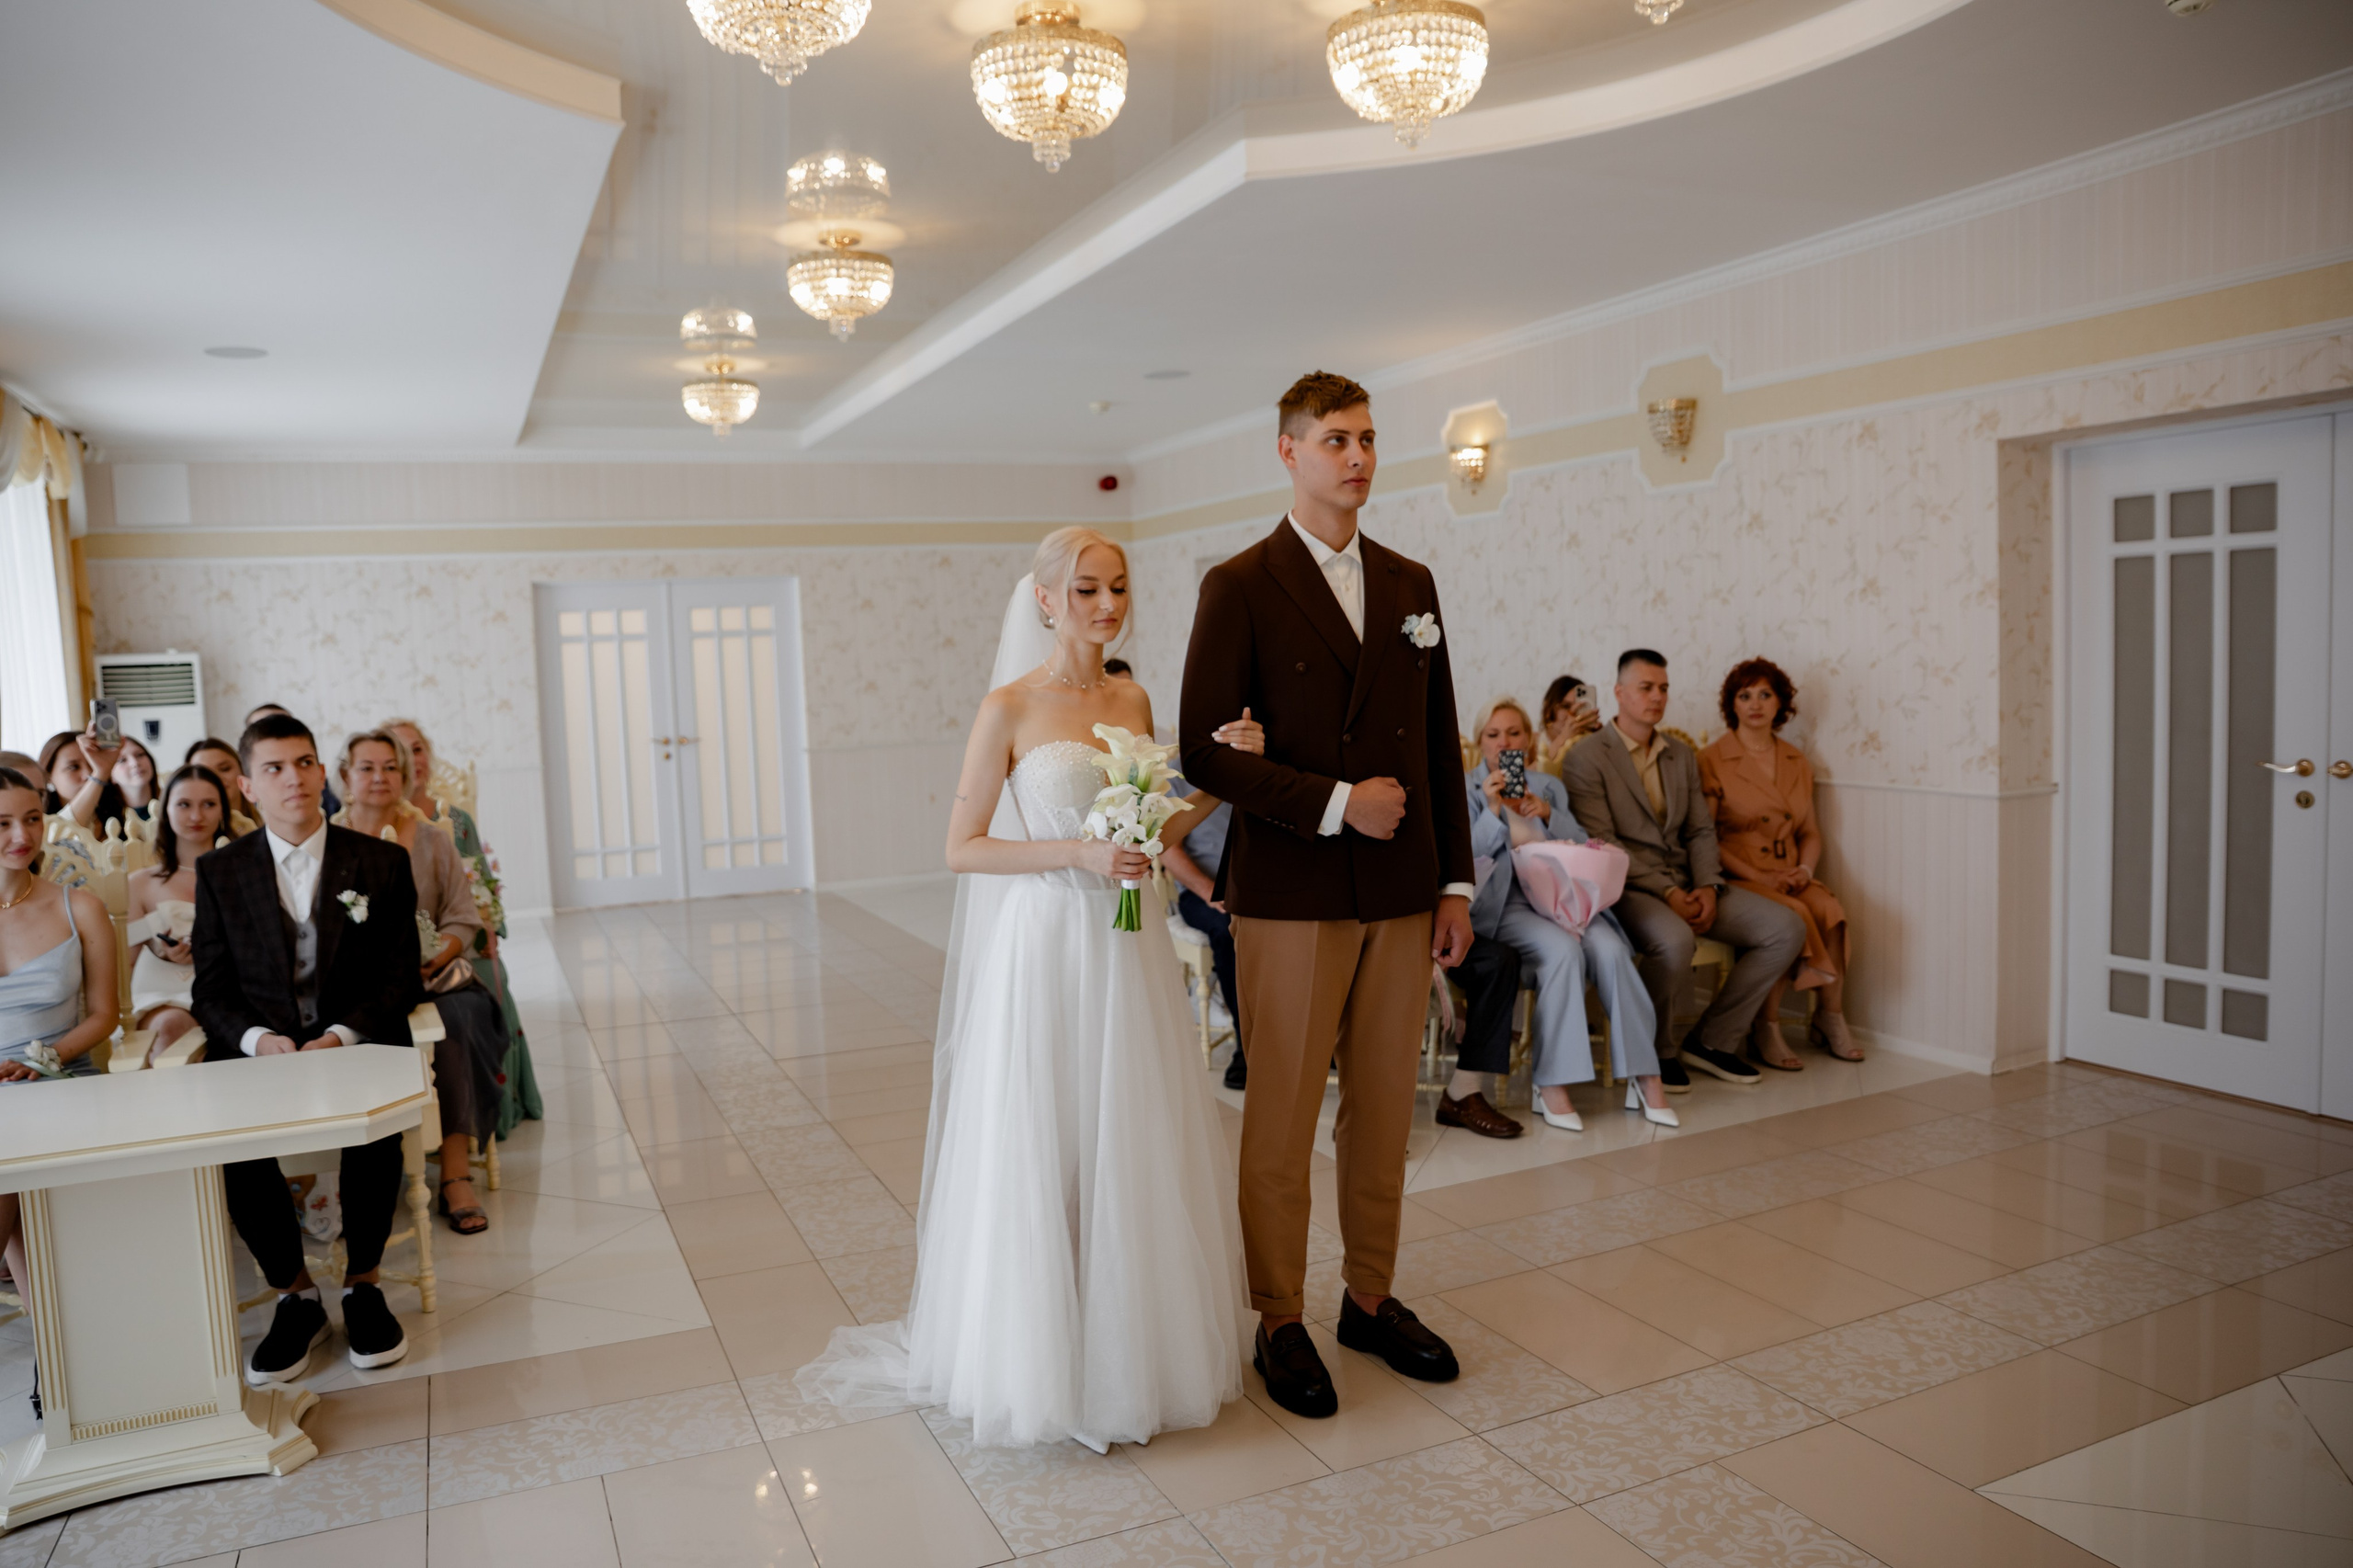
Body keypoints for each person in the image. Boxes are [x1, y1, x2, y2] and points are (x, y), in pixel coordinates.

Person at [797, 528, 1267, 1450]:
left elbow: (1150, 817)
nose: (1106, 603)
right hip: (1046, 938)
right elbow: (962, 846)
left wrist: (1220, 777)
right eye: (1086, 588)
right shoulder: (1007, 706)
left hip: (1122, 942)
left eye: (1118, 587)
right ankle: (1038, 1352)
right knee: (1046, 1129)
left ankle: (1127, 1341)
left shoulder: (1129, 692)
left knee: (1123, 1130)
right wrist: (1078, 852)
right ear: (1046, 599)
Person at [1179, 370, 1475, 1420]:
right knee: (1284, 1112)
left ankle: (1368, 1295)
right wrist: (1338, 801)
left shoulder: (1411, 582)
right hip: (1293, 888)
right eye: (1334, 440)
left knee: (1386, 1107)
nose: (1356, 458)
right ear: (1288, 452)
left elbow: (1437, 743)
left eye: (1366, 440)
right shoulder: (1241, 583)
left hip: (1400, 888)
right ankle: (1277, 1315)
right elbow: (1202, 754)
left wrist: (1452, 881)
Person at [191, 713, 422, 1383]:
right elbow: (211, 991)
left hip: (356, 1039)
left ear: (323, 774)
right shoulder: (220, 872)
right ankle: (296, 1295)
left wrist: (340, 1035)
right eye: (274, 767)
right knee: (232, 1142)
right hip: (263, 1051)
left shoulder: (379, 861)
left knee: (376, 1124)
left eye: (304, 763)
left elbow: (399, 974)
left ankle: (364, 1284)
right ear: (246, 786)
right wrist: (261, 1041)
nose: (293, 778)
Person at [1563, 651, 1804, 1093]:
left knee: (1785, 927)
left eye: (1663, 688)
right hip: (1628, 885)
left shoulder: (1681, 754)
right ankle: (1656, 1050)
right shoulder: (1587, 757)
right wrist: (1669, 894)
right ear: (1619, 693)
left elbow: (1700, 831)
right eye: (1646, 688)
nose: (1657, 697)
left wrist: (1709, 887)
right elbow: (1603, 845)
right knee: (1674, 940)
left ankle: (1712, 1041)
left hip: (1692, 881)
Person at [1463, 698, 1676, 1132]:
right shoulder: (1466, 790)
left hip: (1564, 900)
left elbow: (1583, 845)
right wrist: (1493, 811)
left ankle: (1645, 1074)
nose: (1506, 742)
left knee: (1613, 949)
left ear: (1530, 740)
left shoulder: (1548, 785)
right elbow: (1465, 860)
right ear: (1480, 744)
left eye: (1515, 733)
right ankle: (1552, 1081)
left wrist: (1548, 813)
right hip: (1510, 908)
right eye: (1494, 735)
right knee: (1562, 952)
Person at [335, 731, 506, 1234]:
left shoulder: (433, 838)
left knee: (456, 1024)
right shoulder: (327, 842)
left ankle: (454, 1173)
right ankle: (360, 1179)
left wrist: (437, 954)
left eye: (390, 767)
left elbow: (461, 916)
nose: (379, 777)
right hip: (360, 989)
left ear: (405, 776)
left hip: (436, 981)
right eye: (367, 768)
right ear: (346, 777)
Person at [2, 764, 120, 1410]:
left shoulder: (80, 906)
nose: (20, 835)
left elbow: (104, 1015)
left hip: (59, 1078)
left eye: (29, 818)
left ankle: (57, 1352)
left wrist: (39, 1059)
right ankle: (57, 1353)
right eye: (0, 823)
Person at [381, 717, 541, 1133]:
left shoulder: (457, 821)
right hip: (397, 953)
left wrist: (488, 935)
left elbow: (481, 889)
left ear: (427, 757)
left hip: (457, 938)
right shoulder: (364, 823)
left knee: (488, 972)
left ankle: (493, 1110)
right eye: (398, 751)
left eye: (417, 749)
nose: (410, 759)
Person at [1699, 658, 1861, 1065]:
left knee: (1830, 910)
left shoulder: (1796, 761)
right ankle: (1765, 1027)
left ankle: (1830, 1017)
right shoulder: (1713, 759)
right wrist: (1761, 877)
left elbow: (1809, 832)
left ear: (1780, 703)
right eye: (1745, 695)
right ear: (1731, 705)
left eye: (1765, 694)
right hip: (1740, 873)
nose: (1755, 704)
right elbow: (1704, 838)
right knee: (1790, 914)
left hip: (1790, 871)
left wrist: (1805, 871)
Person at [125, 763, 231, 1061]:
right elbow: (127, 963)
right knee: (172, 1025)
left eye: (208, 804)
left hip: (231, 990)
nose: (197, 816)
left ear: (222, 810)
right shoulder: (141, 884)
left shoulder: (242, 875)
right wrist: (163, 952)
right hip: (166, 994)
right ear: (165, 809)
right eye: (184, 805)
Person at [1161, 778, 1245, 1091]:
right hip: (1202, 891)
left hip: (1256, 887)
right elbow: (1168, 848)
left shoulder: (1260, 764)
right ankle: (1246, 1045)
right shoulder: (1173, 775)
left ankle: (1316, 1038)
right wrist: (1210, 892)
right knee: (1227, 931)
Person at [245, 705, 340, 816]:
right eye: (274, 768)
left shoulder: (330, 795)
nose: (295, 780)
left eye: (305, 763)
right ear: (248, 788)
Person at [39, 729, 129, 834]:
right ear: (48, 776)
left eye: (92, 764)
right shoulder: (41, 823)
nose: (88, 775)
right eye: (73, 767)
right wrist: (100, 774)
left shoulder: (122, 813)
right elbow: (64, 832)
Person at [186, 737, 258, 834]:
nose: (217, 777)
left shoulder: (269, 822)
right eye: (204, 773)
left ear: (243, 770)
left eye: (224, 769)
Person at [1536, 674, 1601, 778]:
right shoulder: (1534, 742)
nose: (1573, 712)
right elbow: (1530, 775)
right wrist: (1564, 738)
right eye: (1566, 706)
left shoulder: (1589, 739)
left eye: (1580, 707)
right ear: (1548, 710)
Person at [111, 736, 159, 820]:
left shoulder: (172, 804)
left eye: (140, 755)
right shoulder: (102, 821)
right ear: (110, 775)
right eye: (122, 760)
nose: (135, 763)